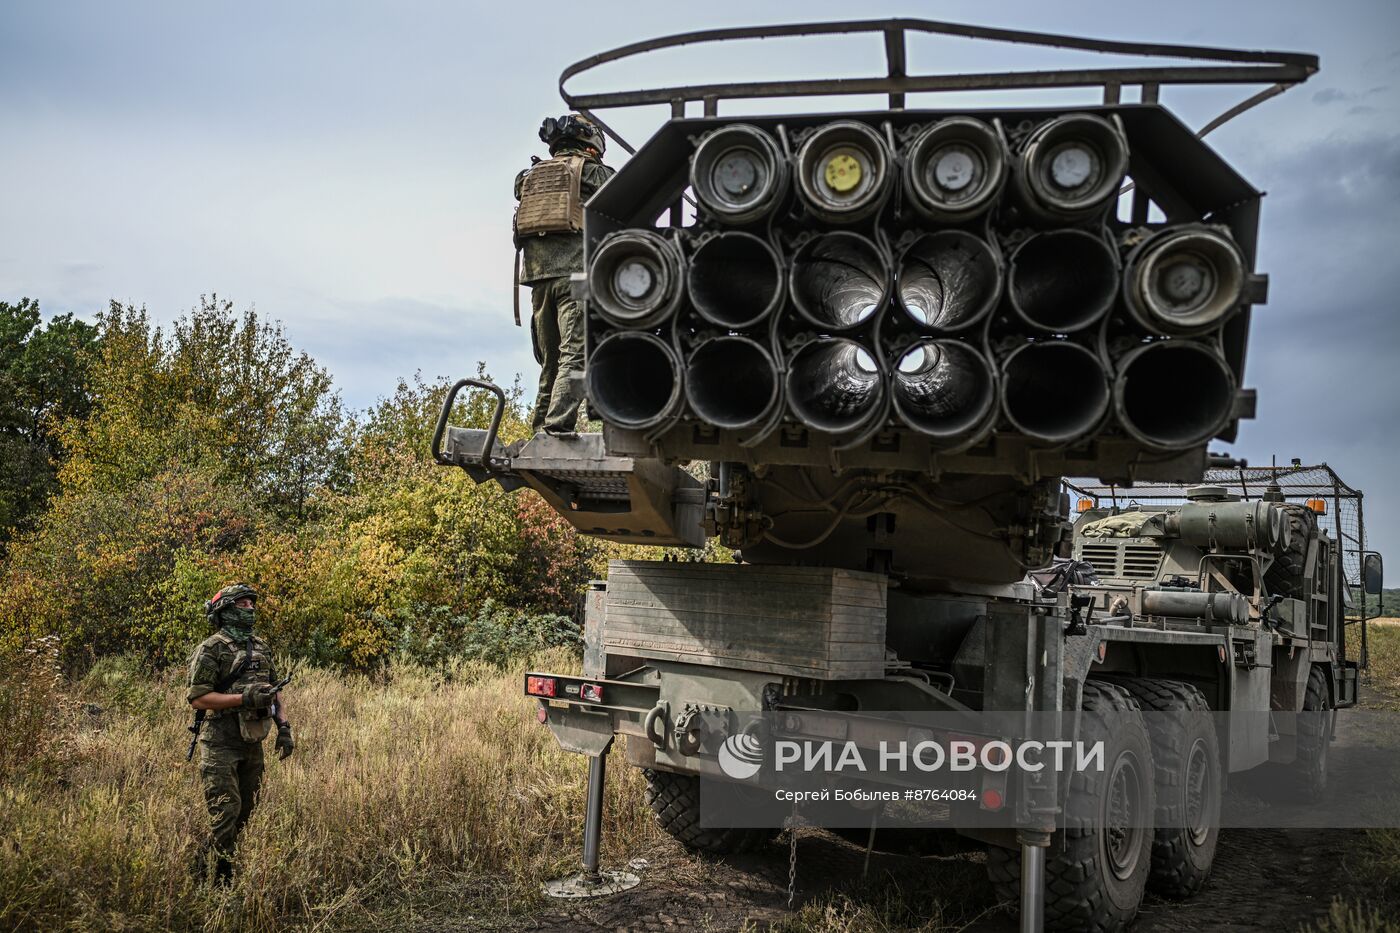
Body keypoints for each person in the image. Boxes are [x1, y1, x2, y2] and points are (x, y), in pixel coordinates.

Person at [514, 113, 615, 436]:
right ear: (591, 141)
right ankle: (557, 428)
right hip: (575, 277)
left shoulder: (528, 176)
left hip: (537, 277)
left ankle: (541, 427)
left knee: (550, 359)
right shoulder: (594, 172)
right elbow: (623, 194)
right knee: (574, 353)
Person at [186, 583, 294, 883]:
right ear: (227, 610)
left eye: (251, 604)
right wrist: (243, 699)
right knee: (225, 813)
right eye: (243, 604)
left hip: (252, 741)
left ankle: (202, 864)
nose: (250, 609)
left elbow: (274, 690)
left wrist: (284, 727)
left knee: (245, 811)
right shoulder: (211, 649)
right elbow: (197, 698)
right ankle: (221, 882)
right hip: (220, 742)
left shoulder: (259, 646)